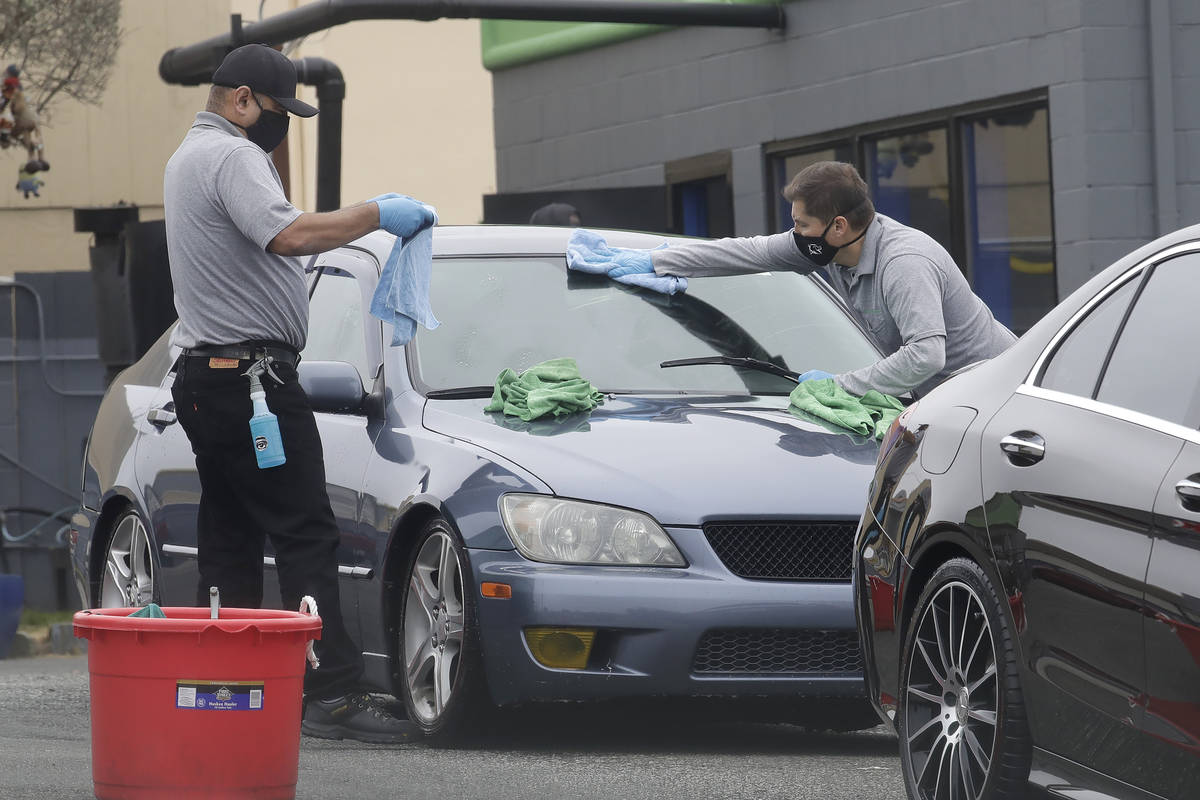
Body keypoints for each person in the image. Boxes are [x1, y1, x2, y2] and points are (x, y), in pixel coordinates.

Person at [163, 43, 433, 744]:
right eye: (278, 113)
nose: (281, 129)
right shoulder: (232, 155)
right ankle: (333, 692)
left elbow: (268, 239)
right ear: (243, 100)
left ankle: (229, 684)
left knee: (229, 532)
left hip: (207, 379)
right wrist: (376, 212)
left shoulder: (187, 158)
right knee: (305, 528)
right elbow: (287, 235)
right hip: (251, 382)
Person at [623, 161, 1015, 397]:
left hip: (1005, 395)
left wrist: (838, 385)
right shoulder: (826, 244)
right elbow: (750, 252)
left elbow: (926, 355)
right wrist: (657, 261)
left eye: (800, 223)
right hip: (951, 401)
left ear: (839, 226)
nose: (794, 233)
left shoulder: (904, 263)